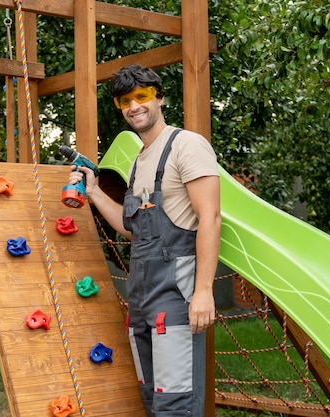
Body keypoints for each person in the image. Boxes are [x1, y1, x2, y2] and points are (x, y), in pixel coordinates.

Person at [69, 64, 221, 416]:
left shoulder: (186, 146)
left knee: (176, 401)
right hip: (140, 298)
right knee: (151, 397)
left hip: (175, 294)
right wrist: (92, 191)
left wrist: (203, 291)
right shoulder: (138, 162)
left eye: (142, 96)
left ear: (160, 97)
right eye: (125, 100)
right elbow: (131, 229)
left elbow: (210, 218)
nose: (134, 106)